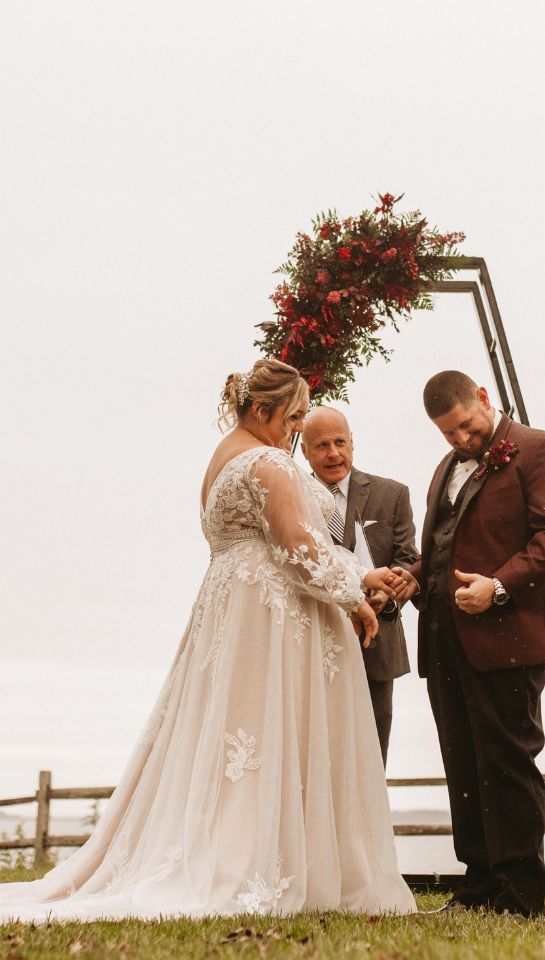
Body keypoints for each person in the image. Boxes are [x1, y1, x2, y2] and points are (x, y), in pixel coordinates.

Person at [0, 359, 416, 921]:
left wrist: (359, 576)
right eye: (292, 417)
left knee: (237, 728)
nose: (296, 429)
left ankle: (262, 848)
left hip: (233, 607)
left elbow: (284, 539)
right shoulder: (267, 461)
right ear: (263, 409)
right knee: (264, 727)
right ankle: (253, 860)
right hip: (268, 614)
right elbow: (295, 545)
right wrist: (352, 597)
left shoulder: (223, 457)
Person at [396, 370, 545, 916]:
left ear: (483, 397)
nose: (460, 441)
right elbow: (449, 546)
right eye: (447, 434)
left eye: (466, 427)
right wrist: (415, 574)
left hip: (508, 638)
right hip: (444, 639)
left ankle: (519, 893)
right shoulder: (445, 468)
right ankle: (478, 882)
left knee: (507, 761)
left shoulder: (539, 449)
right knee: (463, 762)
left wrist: (498, 588)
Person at [300, 407, 418, 767]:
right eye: (322, 445)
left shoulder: (392, 493)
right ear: (304, 451)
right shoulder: (290, 496)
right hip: (311, 642)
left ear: (353, 443)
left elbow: (407, 559)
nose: (334, 453)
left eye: (340, 442)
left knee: (370, 758)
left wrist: (389, 594)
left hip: (376, 645)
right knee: (315, 757)